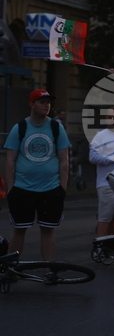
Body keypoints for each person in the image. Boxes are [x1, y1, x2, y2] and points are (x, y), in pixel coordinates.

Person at [4, 89, 70, 261]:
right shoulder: (20, 128)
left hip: (51, 188)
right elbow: (10, 160)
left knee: (48, 230)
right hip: (22, 187)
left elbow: (64, 160)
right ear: (32, 104)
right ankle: (11, 267)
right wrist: (11, 188)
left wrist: (62, 188)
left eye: (48, 102)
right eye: (42, 102)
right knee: (19, 229)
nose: (46, 105)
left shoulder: (56, 128)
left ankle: (48, 268)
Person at [89, 108, 114, 239]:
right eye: (110, 117)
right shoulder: (100, 136)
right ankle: (101, 244)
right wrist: (112, 159)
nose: (113, 120)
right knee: (105, 217)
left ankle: (112, 243)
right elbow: (92, 157)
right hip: (106, 184)